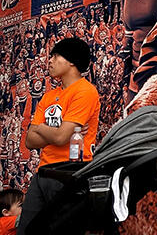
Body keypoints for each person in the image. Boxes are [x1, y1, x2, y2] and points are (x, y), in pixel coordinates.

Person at [18, 37, 99, 235]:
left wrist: (41, 128)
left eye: (56, 55)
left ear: (71, 61)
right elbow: (29, 140)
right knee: (27, 230)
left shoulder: (85, 91)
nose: (50, 60)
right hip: (42, 172)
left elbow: (62, 137)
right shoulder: (47, 96)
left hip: (70, 172)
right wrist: (55, 130)